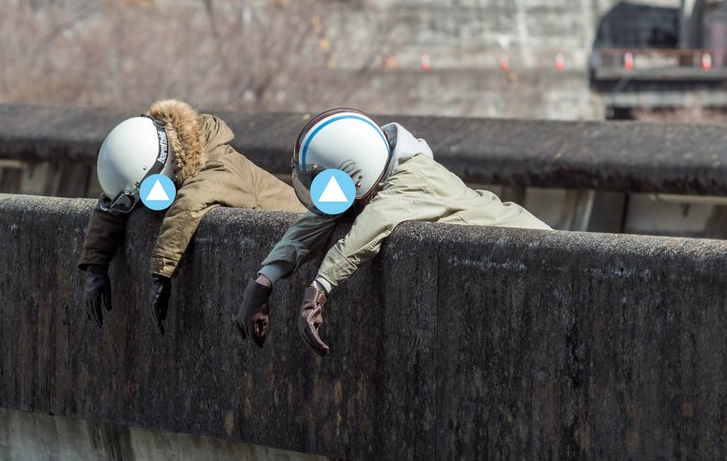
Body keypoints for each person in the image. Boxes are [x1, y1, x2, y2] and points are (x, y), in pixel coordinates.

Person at [234, 108, 552, 356]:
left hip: (539, 249)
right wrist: (262, 283)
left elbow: (370, 229)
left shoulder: (412, 180)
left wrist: (319, 289)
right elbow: (314, 222)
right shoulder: (375, 176)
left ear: (354, 173)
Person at [80, 99, 303, 332]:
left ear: (161, 175)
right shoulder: (160, 149)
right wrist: (96, 264)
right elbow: (116, 199)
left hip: (304, 227)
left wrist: (161, 274)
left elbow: (190, 205)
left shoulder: (219, 167)